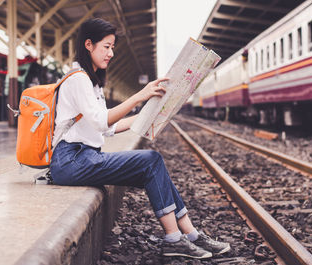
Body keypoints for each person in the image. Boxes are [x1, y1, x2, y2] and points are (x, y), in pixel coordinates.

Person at [50, 17, 230, 259]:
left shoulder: (91, 83)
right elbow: (101, 120)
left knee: (154, 167)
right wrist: (139, 96)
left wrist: (154, 113)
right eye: (106, 46)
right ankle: (174, 239)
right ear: (88, 45)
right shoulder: (77, 78)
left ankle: (192, 235)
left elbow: (107, 129)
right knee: (151, 160)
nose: (111, 53)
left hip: (84, 157)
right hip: (70, 160)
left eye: (113, 47)